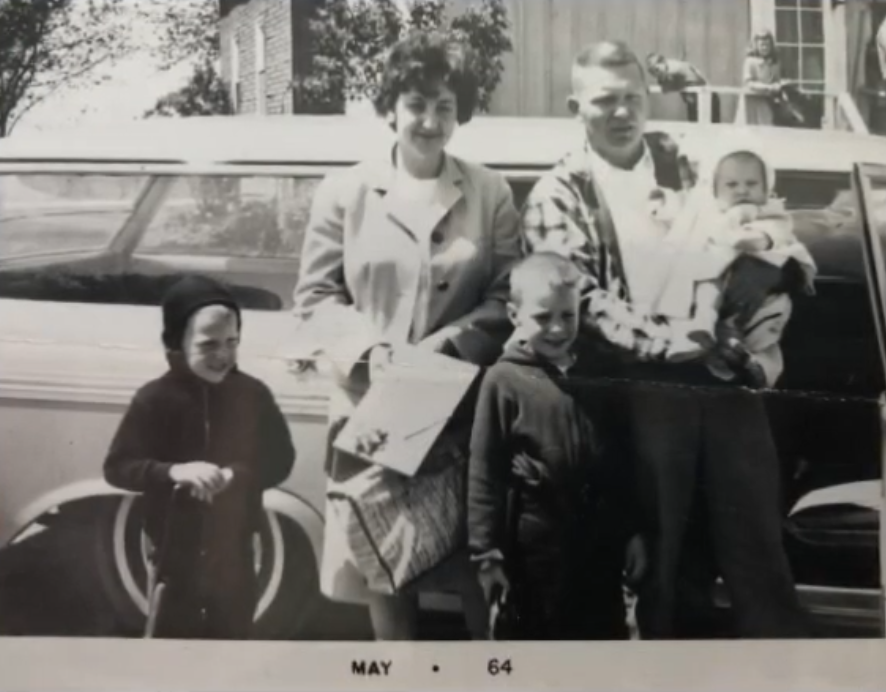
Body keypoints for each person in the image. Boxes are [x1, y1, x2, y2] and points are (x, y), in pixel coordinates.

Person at [521, 39, 809, 639]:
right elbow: (582, 298)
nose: (622, 113)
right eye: (605, 101)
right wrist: (669, 342)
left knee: (757, 552)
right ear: (577, 106)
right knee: (659, 563)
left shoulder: (687, 159)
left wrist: (769, 278)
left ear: (648, 100)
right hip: (635, 395)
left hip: (724, 377)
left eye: (633, 98)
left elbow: (754, 217)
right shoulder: (559, 192)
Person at [290, 30, 523, 641]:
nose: (430, 120)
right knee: (387, 564)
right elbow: (314, 297)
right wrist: (372, 352)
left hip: (458, 404)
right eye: (417, 103)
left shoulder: (490, 190)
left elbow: (509, 294)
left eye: (445, 106)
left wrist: (447, 346)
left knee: (475, 560)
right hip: (374, 402)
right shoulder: (344, 192)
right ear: (391, 105)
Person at [103, 275, 296, 639]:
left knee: (232, 640)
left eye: (232, 342)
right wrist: (174, 471)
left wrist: (234, 475)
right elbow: (118, 467)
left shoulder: (253, 395)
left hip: (235, 552)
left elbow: (280, 459)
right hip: (174, 554)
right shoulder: (154, 398)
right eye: (208, 344)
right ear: (177, 342)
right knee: (172, 642)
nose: (223, 355)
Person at [468, 252, 646, 640]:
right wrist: (486, 552)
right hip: (535, 542)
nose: (556, 329)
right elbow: (484, 470)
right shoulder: (504, 379)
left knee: (599, 636)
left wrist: (632, 532)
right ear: (515, 316)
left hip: (598, 541)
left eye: (567, 316)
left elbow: (622, 461)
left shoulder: (600, 373)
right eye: (542, 317)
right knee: (539, 634)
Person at [653, 137, 818, 387]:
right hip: (712, 293)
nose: (742, 190)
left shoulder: (770, 212)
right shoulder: (701, 214)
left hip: (760, 299)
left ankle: (759, 368)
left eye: (751, 183)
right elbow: (677, 228)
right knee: (707, 283)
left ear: (767, 187)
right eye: (731, 184)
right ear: (714, 188)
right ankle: (702, 332)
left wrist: (754, 244)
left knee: (768, 330)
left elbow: (781, 242)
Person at [646, 52, 721, 123]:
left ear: (663, 62)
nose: (655, 74)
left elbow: (696, 82)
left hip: (707, 99)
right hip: (695, 101)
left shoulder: (679, 68)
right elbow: (666, 87)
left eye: (656, 69)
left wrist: (670, 84)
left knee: (709, 131)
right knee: (694, 129)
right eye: (651, 71)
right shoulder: (668, 71)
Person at [737, 29, 782, 126]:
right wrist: (768, 87)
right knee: (751, 126)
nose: (765, 48)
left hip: (767, 101)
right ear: (756, 46)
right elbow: (748, 83)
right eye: (762, 45)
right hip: (752, 100)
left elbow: (776, 80)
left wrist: (777, 86)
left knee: (767, 125)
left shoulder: (774, 63)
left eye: (767, 45)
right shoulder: (750, 61)